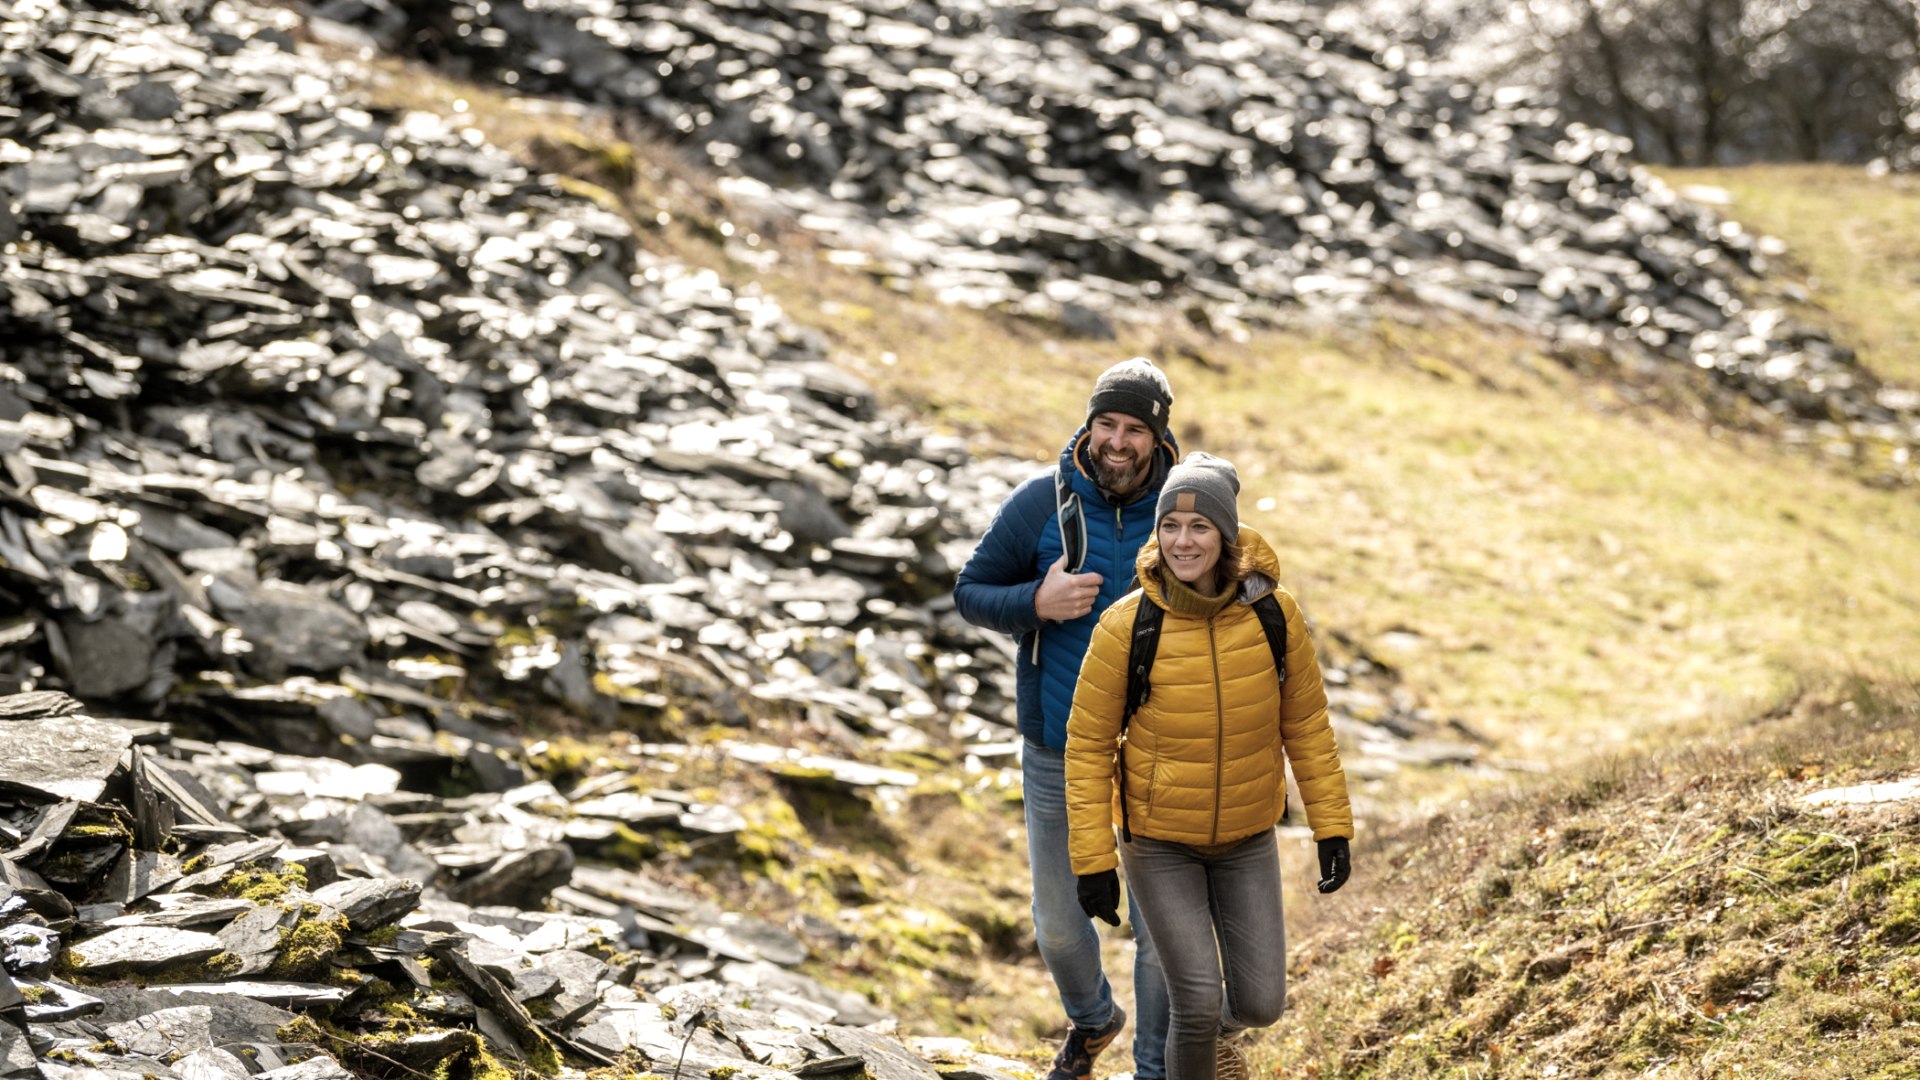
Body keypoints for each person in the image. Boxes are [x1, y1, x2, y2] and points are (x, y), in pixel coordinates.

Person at [1062, 452, 1354, 1080]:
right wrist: (1093, 861)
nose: (1183, 541)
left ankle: (1214, 1045)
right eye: (1170, 526)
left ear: (1226, 534)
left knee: (1260, 1004)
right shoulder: (1126, 627)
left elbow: (1305, 725)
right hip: (1160, 843)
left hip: (1248, 838)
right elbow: (1087, 747)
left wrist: (1332, 826)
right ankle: (1196, 1053)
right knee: (1193, 1002)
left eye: (1199, 527)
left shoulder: (1275, 616)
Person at [953, 357, 1179, 1080]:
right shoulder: (1039, 504)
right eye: (1106, 424)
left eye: (1134, 428)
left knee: (1160, 930)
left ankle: (1153, 1069)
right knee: (1056, 922)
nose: (1117, 441)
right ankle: (1093, 1020)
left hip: (1158, 751)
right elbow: (970, 590)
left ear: (1157, 437)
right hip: (1055, 745)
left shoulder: (1185, 509)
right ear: (1089, 425)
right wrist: (1034, 605)